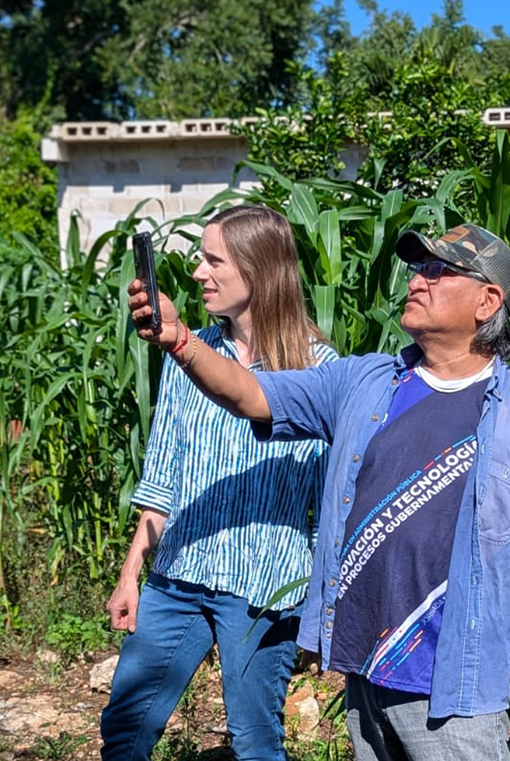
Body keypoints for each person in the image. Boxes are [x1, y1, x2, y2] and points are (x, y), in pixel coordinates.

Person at [128, 223, 510, 761]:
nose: (417, 281)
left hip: (453, 687)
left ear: (486, 300)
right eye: (417, 268)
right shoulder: (364, 383)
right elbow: (250, 393)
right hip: (365, 669)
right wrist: (181, 340)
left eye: (437, 271)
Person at [100, 205, 338, 761]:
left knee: (256, 744)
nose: (198, 274)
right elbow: (164, 475)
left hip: (262, 591)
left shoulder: (321, 370)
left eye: (214, 261)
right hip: (178, 576)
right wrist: (132, 573)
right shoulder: (189, 355)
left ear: (258, 270)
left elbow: (333, 505)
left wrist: (325, 609)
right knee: (124, 728)